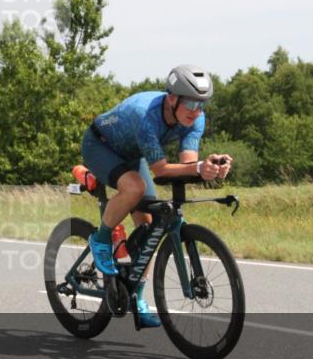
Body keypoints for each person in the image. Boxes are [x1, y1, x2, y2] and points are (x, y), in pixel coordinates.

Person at [82, 65, 232, 326]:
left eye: (202, 104)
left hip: (132, 154)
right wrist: (197, 168)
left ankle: (137, 296)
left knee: (150, 226)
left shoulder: (195, 118)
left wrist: (209, 169)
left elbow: (187, 164)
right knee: (135, 188)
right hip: (100, 146)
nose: (196, 111)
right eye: (190, 103)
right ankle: (101, 238)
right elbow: (160, 169)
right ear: (172, 98)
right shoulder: (146, 115)